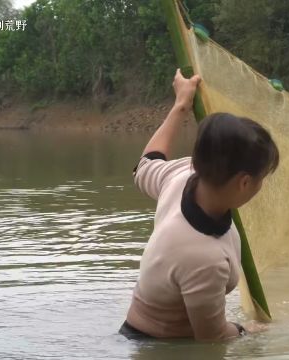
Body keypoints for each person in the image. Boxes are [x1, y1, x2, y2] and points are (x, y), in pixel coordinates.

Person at [119, 69, 279, 341]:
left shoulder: (183, 175)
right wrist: (248, 331)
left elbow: (145, 166)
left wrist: (181, 104)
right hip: (158, 348)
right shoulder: (203, 256)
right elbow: (212, 338)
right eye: (261, 179)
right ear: (243, 182)